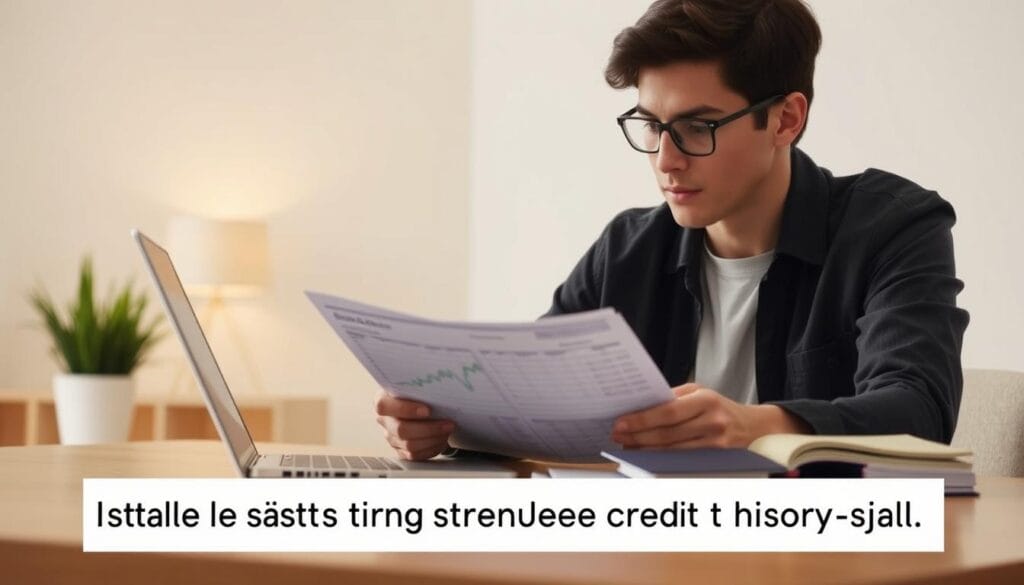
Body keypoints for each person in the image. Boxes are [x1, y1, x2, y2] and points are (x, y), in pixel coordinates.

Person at [375, 0, 969, 461]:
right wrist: (442, 424)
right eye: (651, 125)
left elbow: (919, 410)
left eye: (697, 127)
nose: (665, 158)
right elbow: (533, 400)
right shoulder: (628, 250)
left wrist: (751, 425)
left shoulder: (893, 227)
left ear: (785, 119)